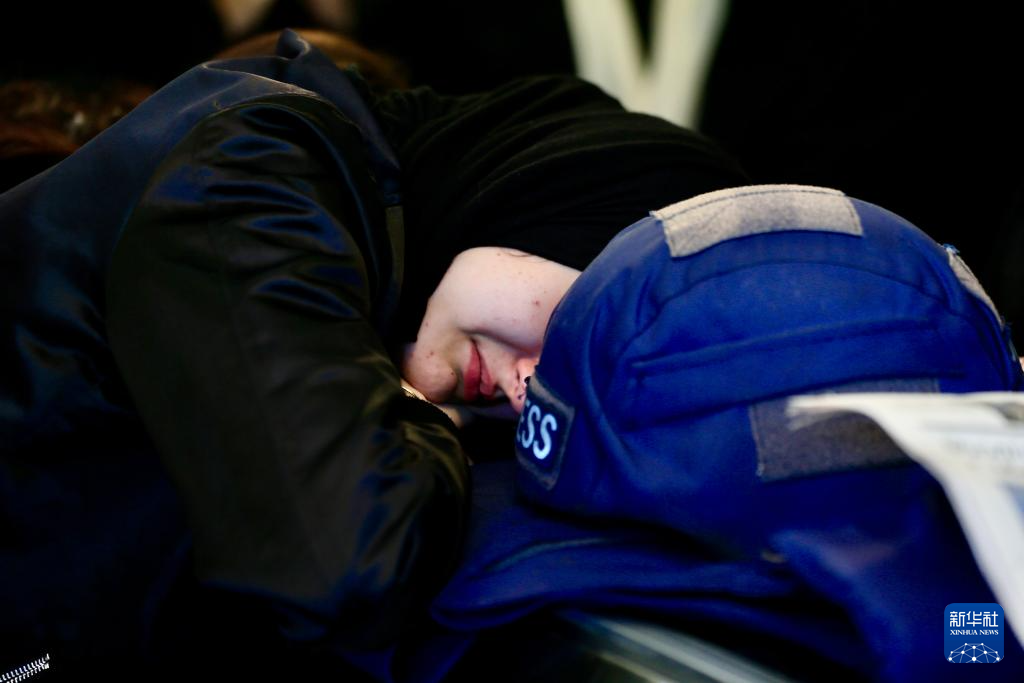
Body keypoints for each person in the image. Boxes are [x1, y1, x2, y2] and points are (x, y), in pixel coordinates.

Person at [0, 29, 746, 676]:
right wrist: (422, 416)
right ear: (540, 205)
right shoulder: (251, 170)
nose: (531, 394)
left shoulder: (364, 247)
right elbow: (349, 564)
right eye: (574, 326)